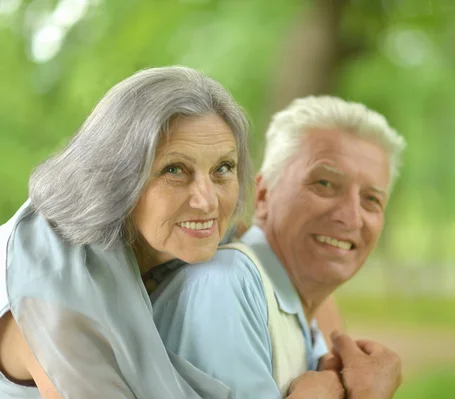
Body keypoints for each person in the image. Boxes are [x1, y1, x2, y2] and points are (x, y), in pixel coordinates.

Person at [0, 66, 334, 399]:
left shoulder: (193, 233)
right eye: (174, 170)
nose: (207, 202)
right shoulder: (56, 288)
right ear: (115, 178)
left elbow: (304, 288)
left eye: (223, 168)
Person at [153, 96, 406, 398]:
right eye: (324, 183)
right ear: (263, 196)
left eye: (371, 199)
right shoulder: (226, 285)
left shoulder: (297, 311)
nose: (351, 217)